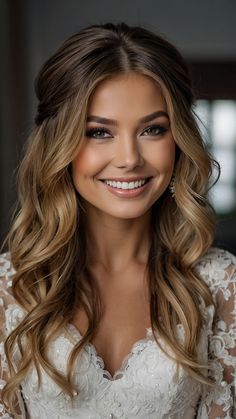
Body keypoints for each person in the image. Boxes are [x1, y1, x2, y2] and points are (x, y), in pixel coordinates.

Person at [0, 21, 235, 419]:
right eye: (99, 132)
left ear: (178, 141)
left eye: (152, 129)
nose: (129, 158)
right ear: (60, 145)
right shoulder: (11, 288)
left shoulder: (221, 284)